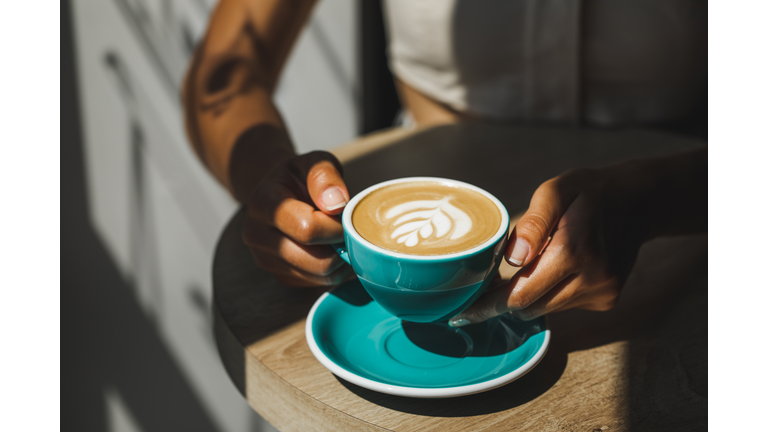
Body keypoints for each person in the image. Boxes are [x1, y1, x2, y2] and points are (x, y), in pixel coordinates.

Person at [182, 0, 707, 327]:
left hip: (680, 267)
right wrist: (273, 191)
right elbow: (227, 75)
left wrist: (655, 199)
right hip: (409, 243)